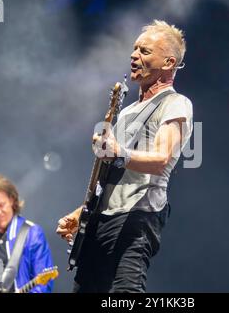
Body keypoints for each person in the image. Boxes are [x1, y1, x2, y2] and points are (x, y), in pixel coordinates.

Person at [57, 19, 193, 293]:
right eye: (134, 49)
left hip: (137, 218)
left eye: (144, 51)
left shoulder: (175, 103)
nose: (134, 56)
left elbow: (162, 158)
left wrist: (119, 153)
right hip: (102, 220)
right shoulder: (129, 111)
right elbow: (112, 176)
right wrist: (81, 212)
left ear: (168, 63)